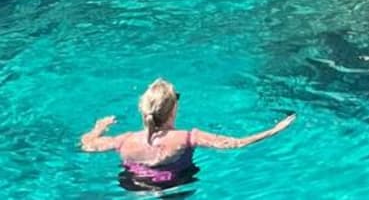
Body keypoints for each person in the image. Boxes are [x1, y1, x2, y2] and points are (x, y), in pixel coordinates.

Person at [80, 78, 295, 187]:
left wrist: (98, 128)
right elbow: (236, 143)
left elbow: (87, 144)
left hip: (133, 186)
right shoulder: (188, 137)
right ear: (174, 109)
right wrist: (274, 129)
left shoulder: (124, 141)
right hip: (175, 184)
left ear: (141, 109)